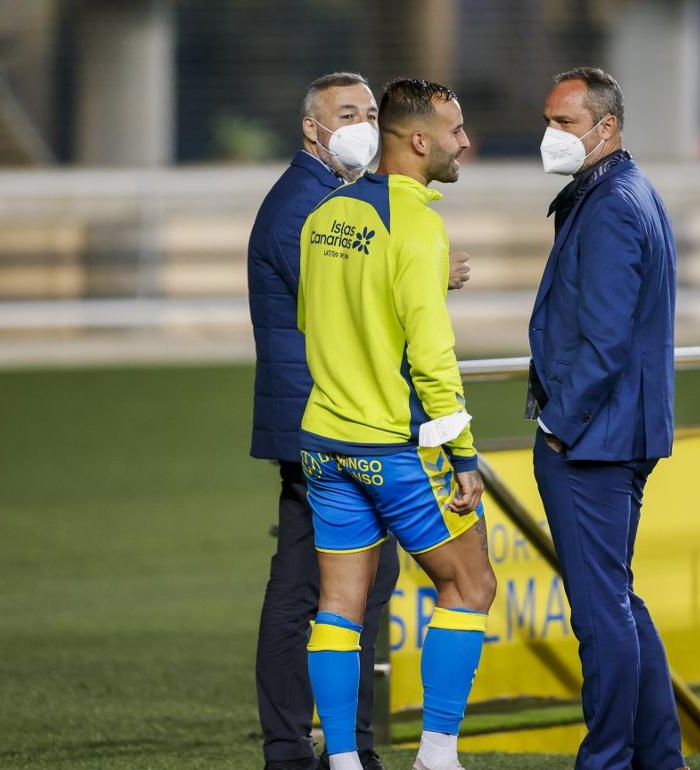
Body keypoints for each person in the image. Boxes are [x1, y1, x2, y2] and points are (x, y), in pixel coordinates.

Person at [247, 72, 469, 770]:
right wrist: (420, 273)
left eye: (371, 112)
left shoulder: (330, 208)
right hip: (345, 424)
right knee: (321, 595)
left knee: (348, 595)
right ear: (311, 129)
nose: (362, 126)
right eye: (347, 114)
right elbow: (347, 311)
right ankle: (310, 747)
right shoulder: (308, 209)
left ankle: (344, 752)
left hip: (325, 422)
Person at [297, 77, 496, 770]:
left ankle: (345, 763)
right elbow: (433, 356)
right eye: (455, 131)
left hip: (323, 441)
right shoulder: (417, 225)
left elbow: (310, 324)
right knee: (471, 586)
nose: (465, 142)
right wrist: (463, 451)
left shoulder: (324, 215)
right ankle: (437, 754)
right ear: (418, 141)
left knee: (338, 609)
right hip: (391, 445)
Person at [525, 67, 684, 770]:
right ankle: (659, 756)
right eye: (550, 120)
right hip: (613, 431)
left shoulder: (614, 202)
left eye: (564, 122)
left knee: (599, 614)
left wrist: (560, 424)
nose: (550, 135)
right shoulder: (621, 191)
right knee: (617, 599)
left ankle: (609, 760)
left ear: (606, 128)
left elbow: (607, 339)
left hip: (594, 439)